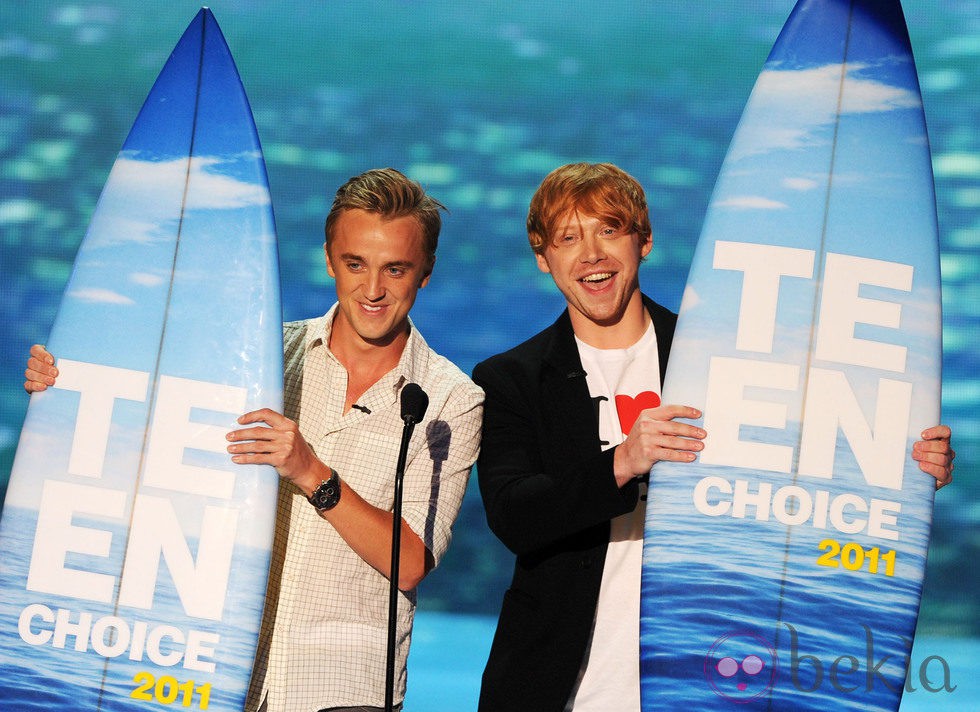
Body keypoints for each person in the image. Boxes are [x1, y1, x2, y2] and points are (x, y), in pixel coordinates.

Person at [471, 162, 955, 712]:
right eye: (568, 238)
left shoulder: (723, 357)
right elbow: (515, 516)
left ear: (644, 241)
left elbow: (811, 458)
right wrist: (622, 461)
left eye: (609, 230)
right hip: (559, 685)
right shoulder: (510, 378)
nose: (592, 255)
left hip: (708, 674)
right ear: (543, 259)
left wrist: (904, 469)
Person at [24, 168, 484, 712]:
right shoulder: (261, 356)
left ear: (425, 271)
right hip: (216, 674)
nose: (373, 289)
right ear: (329, 258)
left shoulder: (452, 398)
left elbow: (411, 561)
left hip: (340, 690)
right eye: (355, 264)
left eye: (396, 269)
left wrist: (311, 471)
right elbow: (146, 430)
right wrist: (68, 388)